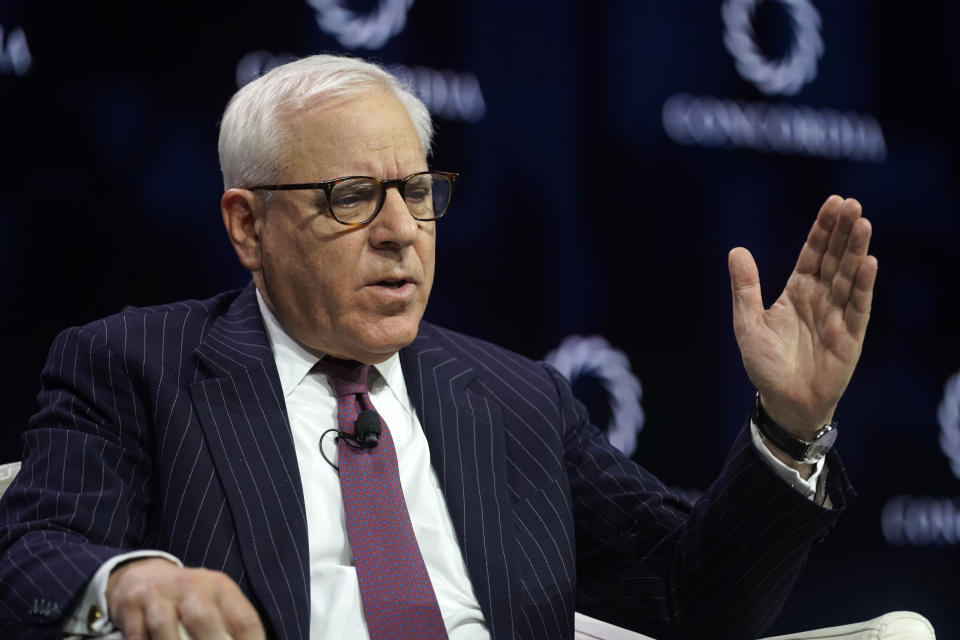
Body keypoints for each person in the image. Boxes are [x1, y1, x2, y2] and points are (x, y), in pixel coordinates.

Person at [0, 54, 877, 640]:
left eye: (417, 192)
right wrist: (130, 582)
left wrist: (791, 428)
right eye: (351, 196)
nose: (401, 234)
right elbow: (34, 551)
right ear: (248, 224)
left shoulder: (517, 399)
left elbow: (696, 598)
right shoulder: (135, 365)